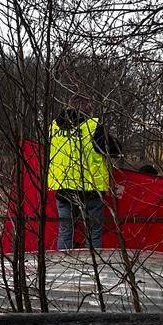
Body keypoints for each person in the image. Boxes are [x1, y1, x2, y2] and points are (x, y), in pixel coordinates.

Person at [47, 106, 120, 250]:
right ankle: (93, 263)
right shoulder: (93, 127)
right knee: (94, 233)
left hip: (63, 188)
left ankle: (63, 262)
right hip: (91, 189)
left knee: (65, 231)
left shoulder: (53, 127)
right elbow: (116, 150)